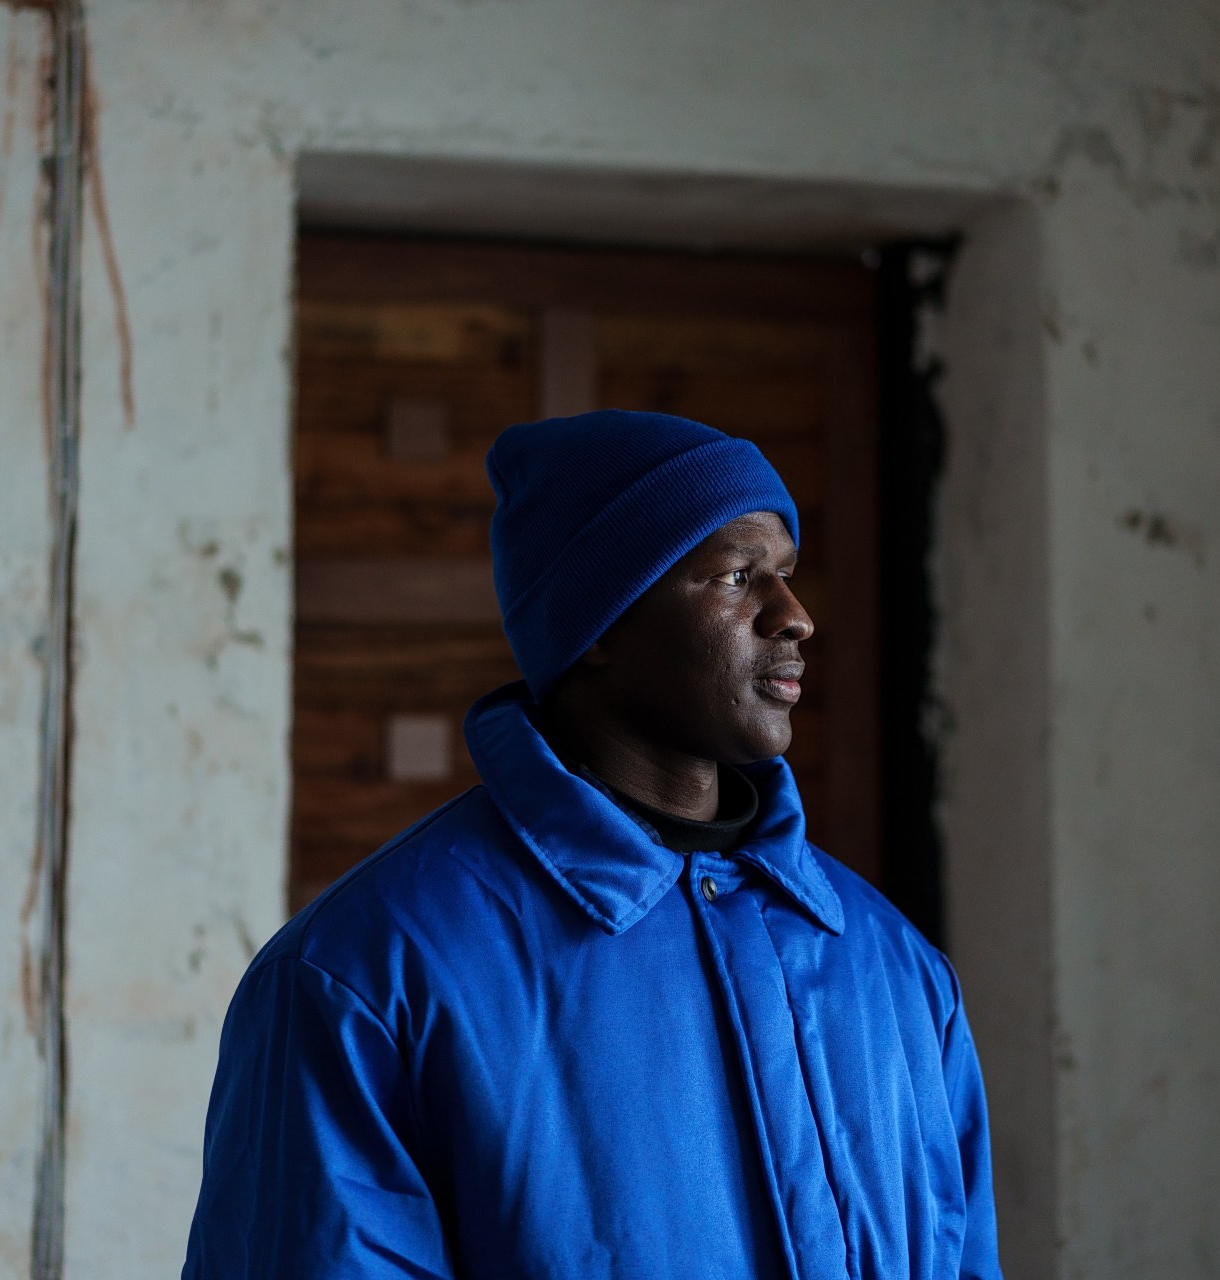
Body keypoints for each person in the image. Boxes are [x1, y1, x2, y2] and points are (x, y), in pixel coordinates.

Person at [182, 409, 1002, 1279]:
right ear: (600, 623)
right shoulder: (365, 977)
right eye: (736, 576)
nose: (794, 617)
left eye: (787, 576)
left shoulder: (897, 969)